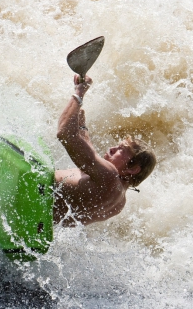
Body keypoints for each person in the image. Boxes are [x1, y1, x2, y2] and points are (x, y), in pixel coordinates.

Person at [53, 74, 157, 226]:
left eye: (121, 149)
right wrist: (82, 126)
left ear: (133, 169)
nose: (112, 148)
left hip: (29, 199)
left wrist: (79, 92)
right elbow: (91, 154)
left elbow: (65, 134)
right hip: (36, 228)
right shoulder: (118, 202)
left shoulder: (109, 176)